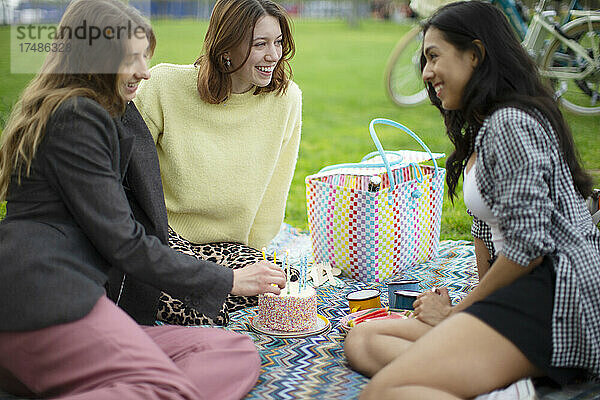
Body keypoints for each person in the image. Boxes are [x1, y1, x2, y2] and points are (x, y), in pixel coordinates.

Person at [0, 0, 287, 398]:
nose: (144, 71)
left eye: (144, 58)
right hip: (45, 304)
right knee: (164, 387)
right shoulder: (75, 117)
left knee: (231, 349)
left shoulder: (97, 110)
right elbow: (126, 242)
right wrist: (228, 280)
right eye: (131, 59)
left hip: (69, 303)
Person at [343, 2, 600, 399]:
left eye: (433, 56)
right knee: (363, 340)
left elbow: (528, 246)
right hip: (517, 292)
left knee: (381, 394)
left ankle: (506, 386)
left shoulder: (511, 123)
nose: (426, 73)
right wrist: (472, 309)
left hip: (551, 298)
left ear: (475, 54)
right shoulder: (484, 124)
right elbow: (486, 226)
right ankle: (502, 384)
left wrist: (459, 313)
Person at [132, 0, 302, 326]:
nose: (273, 55)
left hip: (227, 245)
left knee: (283, 282)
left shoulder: (286, 99)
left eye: (278, 42)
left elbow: (274, 189)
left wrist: (254, 257)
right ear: (226, 47)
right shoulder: (163, 87)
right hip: (164, 236)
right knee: (198, 308)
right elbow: (128, 177)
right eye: (260, 44)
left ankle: (210, 293)